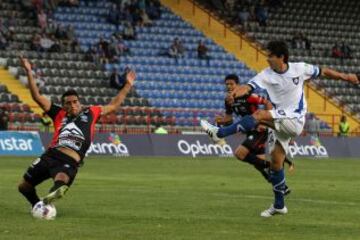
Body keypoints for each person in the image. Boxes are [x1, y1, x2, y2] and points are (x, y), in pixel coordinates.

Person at [201, 40, 359, 217]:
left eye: (270, 56)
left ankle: (219, 133)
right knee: (276, 162)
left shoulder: (300, 68)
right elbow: (247, 87)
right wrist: (234, 93)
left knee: (259, 116)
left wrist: (346, 77)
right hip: (281, 119)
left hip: (296, 119)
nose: (267, 59)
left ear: (281, 57)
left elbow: (324, 71)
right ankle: (279, 205)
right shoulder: (266, 74)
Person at [17, 57, 136, 212]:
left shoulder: (92, 112)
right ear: (63, 105)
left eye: (75, 101)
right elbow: (37, 97)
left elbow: (113, 105)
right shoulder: (58, 113)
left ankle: (56, 192)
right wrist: (28, 71)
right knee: (23, 187)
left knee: (62, 177)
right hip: (50, 155)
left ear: (79, 102)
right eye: (68, 103)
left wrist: (127, 84)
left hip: (70, 160)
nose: (72, 105)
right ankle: (37, 206)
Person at [215, 74, 294, 186]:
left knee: (240, 154)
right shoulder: (228, 101)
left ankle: (273, 165)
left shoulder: (248, 96)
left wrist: (267, 119)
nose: (229, 86)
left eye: (231, 84)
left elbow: (268, 103)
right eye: (227, 84)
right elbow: (229, 120)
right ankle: (281, 186)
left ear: (237, 85)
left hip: (259, 129)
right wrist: (221, 120)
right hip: (250, 131)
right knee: (259, 164)